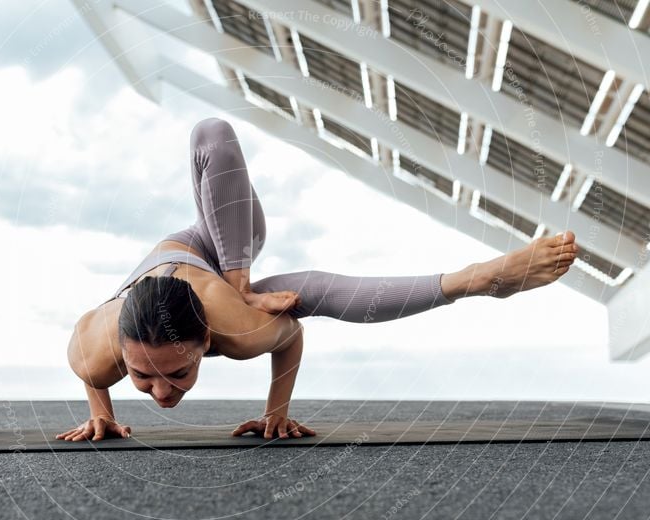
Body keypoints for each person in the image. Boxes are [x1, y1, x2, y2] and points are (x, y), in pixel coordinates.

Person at [57, 117, 579, 442]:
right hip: (194, 243)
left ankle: (473, 279)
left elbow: (292, 335)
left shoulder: (236, 328)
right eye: (143, 376)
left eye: (175, 373)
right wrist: (100, 412)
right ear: (121, 356)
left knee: (215, 137)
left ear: (207, 342)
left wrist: (275, 411)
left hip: (219, 253)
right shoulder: (94, 351)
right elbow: (94, 373)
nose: (159, 392)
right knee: (304, 293)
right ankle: (469, 280)